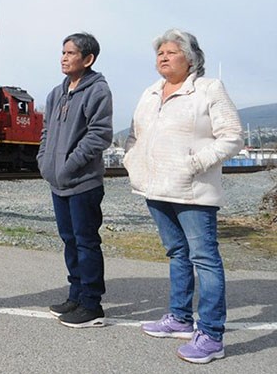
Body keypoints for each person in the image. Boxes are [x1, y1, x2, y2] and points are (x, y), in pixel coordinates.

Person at [123, 29, 242, 364]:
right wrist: (134, 162)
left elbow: (232, 136)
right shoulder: (150, 92)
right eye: (160, 52)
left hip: (193, 190)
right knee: (176, 252)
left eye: (171, 52)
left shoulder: (208, 89)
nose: (163, 56)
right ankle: (179, 319)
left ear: (191, 58)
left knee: (204, 258)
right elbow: (135, 135)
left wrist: (194, 164)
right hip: (155, 187)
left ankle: (212, 335)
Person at [37, 33, 113, 328]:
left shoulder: (98, 90)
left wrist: (69, 165)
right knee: (69, 241)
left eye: (70, 53)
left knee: (86, 242)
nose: (64, 58)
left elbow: (100, 135)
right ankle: (75, 295)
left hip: (84, 183)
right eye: (63, 52)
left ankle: (92, 304)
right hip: (58, 183)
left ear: (88, 59)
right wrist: (44, 162)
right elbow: (45, 132)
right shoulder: (57, 92)